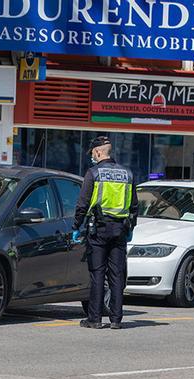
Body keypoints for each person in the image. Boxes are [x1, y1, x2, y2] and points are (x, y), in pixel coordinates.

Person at [72, 136, 137, 330]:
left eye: (92, 153)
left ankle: (95, 318)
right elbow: (134, 206)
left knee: (97, 274)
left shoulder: (94, 173)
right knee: (116, 275)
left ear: (99, 152)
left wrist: (76, 226)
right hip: (120, 230)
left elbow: (82, 203)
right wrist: (131, 228)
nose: (92, 156)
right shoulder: (127, 174)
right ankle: (116, 319)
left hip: (99, 229)